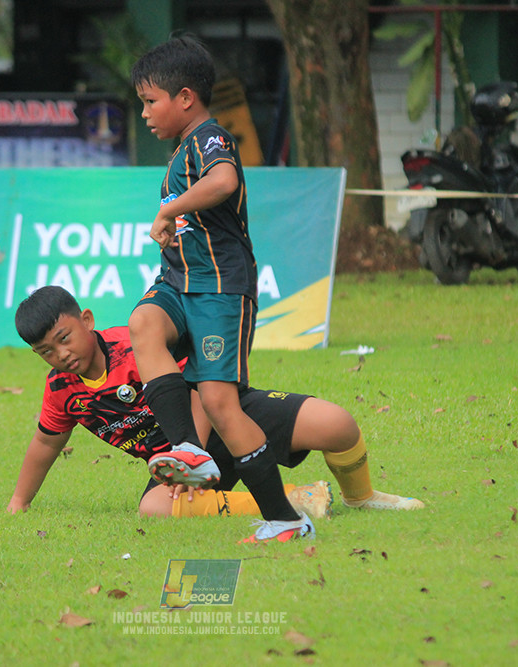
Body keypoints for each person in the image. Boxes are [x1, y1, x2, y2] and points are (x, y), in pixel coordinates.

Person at [6, 287, 423, 541]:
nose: (61, 355)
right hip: (184, 463)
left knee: (337, 423)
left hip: (224, 414)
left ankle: (362, 497)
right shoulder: (63, 391)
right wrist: (18, 504)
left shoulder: (135, 348)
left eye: (64, 339)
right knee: (153, 509)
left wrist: (192, 454)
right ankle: (296, 498)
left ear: (86, 320)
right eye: (46, 352)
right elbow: (45, 442)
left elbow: (197, 391)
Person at [127, 35, 312, 543]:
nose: (144, 113)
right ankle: (190, 450)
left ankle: (285, 520)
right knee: (143, 323)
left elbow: (224, 181)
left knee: (220, 405)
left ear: (185, 98)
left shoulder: (210, 138)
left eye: (150, 101)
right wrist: (172, 222)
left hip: (219, 289)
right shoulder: (180, 151)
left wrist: (168, 210)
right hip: (179, 282)